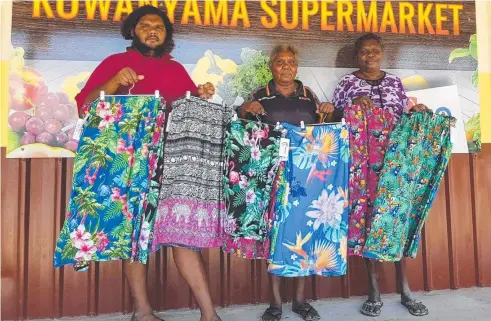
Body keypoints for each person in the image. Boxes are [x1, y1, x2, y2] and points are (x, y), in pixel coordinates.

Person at [74, 6, 216, 321]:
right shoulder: (115, 63)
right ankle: (145, 314)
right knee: (134, 238)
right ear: (133, 31)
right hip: (129, 167)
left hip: (175, 168)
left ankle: (209, 315)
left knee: (183, 236)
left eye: (159, 26)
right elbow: (85, 107)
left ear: (166, 35)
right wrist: (113, 83)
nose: (153, 30)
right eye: (145, 25)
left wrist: (200, 96)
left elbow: (186, 113)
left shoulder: (176, 69)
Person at [331, 33, 430, 318]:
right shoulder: (347, 84)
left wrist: (418, 110)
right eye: (364, 52)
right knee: (367, 223)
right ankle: (374, 291)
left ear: (382, 53)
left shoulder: (395, 82)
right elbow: (336, 116)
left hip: (395, 165)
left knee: (395, 222)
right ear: (356, 56)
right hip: (362, 166)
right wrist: (351, 105)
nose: (370, 56)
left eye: (374, 51)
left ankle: (405, 291)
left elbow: (405, 117)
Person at [239, 45, 336, 321]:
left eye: (290, 62)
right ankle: (276, 304)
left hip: (306, 177)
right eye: (279, 62)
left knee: (304, 232)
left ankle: (301, 301)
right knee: (276, 236)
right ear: (271, 66)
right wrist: (247, 108)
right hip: (271, 175)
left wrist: (327, 111)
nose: (285, 66)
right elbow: (242, 125)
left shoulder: (309, 95)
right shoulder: (259, 95)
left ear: (297, 67)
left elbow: (321, 128)